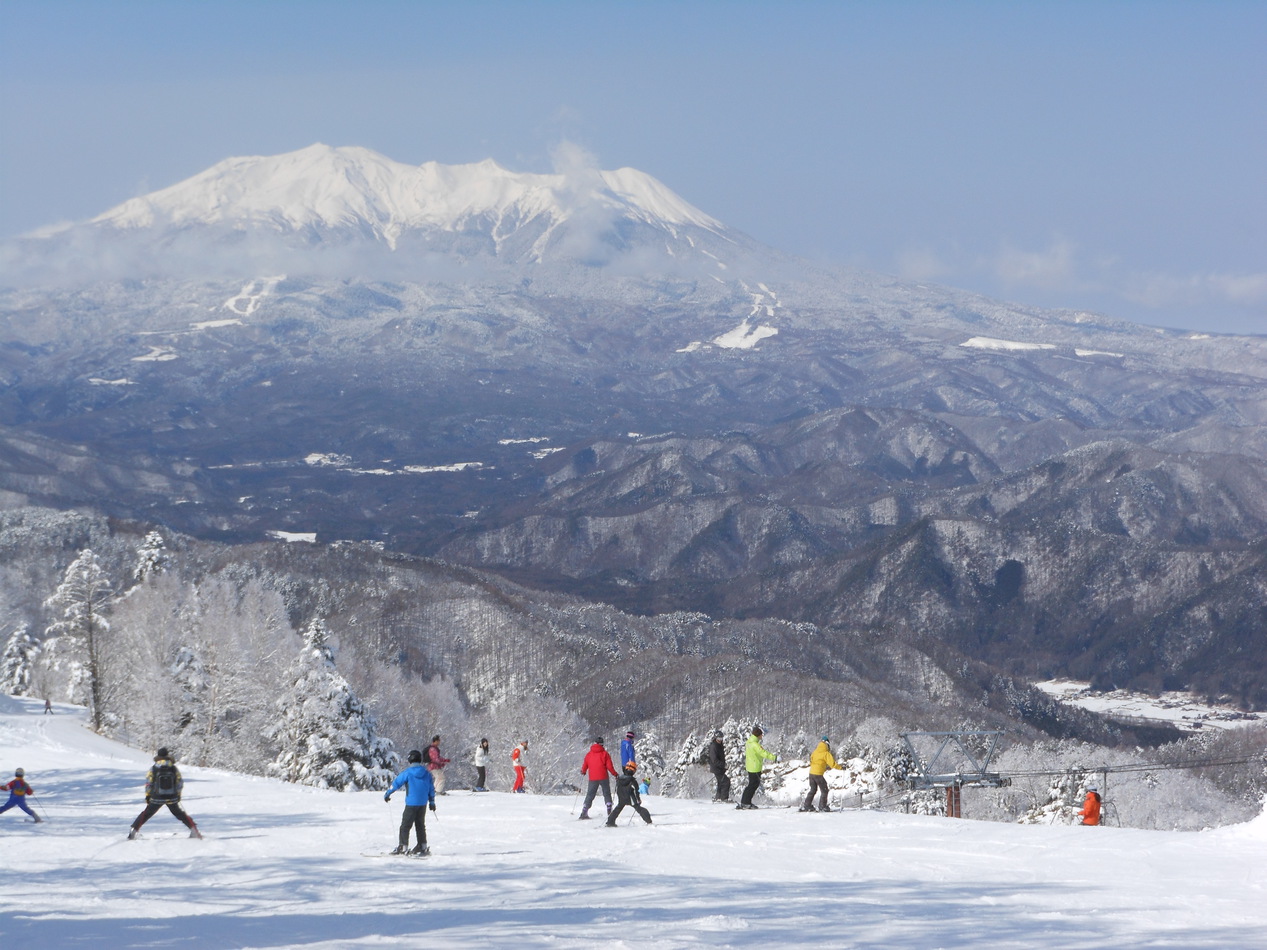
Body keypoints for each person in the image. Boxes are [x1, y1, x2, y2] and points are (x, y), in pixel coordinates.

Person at [128, 748, 201, 839]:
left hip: (156, 797)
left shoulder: (154, 768)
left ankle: (133, 831)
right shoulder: (173, 768)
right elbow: (179, 783)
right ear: (167, 756)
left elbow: (148, 783)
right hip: (172, 797)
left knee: (146, 814)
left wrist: (148, 795)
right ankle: (194, 830)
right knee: (179, 814)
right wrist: (177, 795)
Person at [385, 749, 437, 855]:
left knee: (405, 825)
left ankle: (403, 846)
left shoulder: (408, 773)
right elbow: (431, 788)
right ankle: (422, 846)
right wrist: (432, 802)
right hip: (423, 803)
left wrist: (388, 793)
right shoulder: (427, 773)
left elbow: (396, 784)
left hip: (411, 803)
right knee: (420, 825)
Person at [578, 736, 618, 820]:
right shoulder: (605, 754)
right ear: (602, 744)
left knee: (590, 794)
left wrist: (583, 771)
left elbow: (585, 765)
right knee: (606, 793)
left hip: (592, 777)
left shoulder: (589, 754)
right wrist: (615, 774)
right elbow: (610, 766)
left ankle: (584, 811)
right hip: (603, 776)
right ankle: (609, 808)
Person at [738, 725, 776, 810]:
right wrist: (775, 758)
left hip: (750, 766)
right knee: (753, 785)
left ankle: (745, 802)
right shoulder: (755, 745)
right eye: (761, 735)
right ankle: (746, 802)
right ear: (758, 735)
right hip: (755, 767)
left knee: (752, 784)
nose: (762, 737)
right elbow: (763, 753)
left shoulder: (749, 742)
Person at [800, 736, 842, 812]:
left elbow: (812, 761)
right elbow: (832, 764)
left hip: (811, 773)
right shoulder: (826, 753)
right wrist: (841, 767)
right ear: (827, 744)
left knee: (813, 790)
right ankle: (822, 806)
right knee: (824, 790)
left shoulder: (815, 752)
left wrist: (822, 767)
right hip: (818, 774)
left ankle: (807, 805)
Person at [606, 760, 653, 827]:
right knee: (639, 808)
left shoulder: (619, 778)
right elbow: (636, 791)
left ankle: (610, 822)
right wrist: (638, 799)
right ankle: (648, 821)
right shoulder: (632, 780)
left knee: (618, 809)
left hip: (621, 797)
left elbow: (617, 788)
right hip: (630, 798)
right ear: (633, 771)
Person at [707, 730, 731, 802]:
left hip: (720, 768)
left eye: (721, 738)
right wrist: (723, 765)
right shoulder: (714, 746)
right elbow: (714, 759)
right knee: (726, 782)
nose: (720, 740)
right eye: (719, 738)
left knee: (721, 782)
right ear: (715, 738)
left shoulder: (719, 745)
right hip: (716, 768)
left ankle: (718, 798)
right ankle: (724, 798)